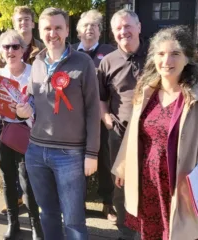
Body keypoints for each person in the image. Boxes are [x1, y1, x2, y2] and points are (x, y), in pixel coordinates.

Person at [112, 26, 198, 240]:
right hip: (147, 182)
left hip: (181, 186)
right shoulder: (146, 91)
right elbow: (133, 134)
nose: (167, 61)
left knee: (180, 234)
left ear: (187, 58)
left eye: (175, 54)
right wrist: (122, 167)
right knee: (151, 233)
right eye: (161, 54)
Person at [16, 8, 100, 240]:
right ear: (40, 32)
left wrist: (92, 152)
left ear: (66, 30)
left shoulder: (83, 63)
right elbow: (33, 99)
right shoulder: (37, 61)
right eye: (47, 28)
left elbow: (94, 109)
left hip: (70, 154)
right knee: (48, 214)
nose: (53, 33)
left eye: (57, 28)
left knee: (73, 219)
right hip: (36, 151)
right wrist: (24, 110)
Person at [0, 29, 42, 240]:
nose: (11, 51)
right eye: (6, 47)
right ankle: (13, 222)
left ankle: (36, 225)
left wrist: (29, 111)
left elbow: (43, 105)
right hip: (2, 134)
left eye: (15, 46)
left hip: (27, 134)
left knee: (28, 180)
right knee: (8, 180)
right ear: (1, 51)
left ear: (23, 49)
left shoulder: (34, 73)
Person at [98, 9, 147, 239]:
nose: (123, 31)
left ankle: (150, 229)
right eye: (118, 28)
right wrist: (107, 121)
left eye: (128, 26)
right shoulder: (107, 62)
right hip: (120, 134)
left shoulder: (156, 56)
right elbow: (101, 98)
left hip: (152, 135)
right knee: (120, 184)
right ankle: (125, 231)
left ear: (139, 27)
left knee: (151, 182)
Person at [72, 9, 116, 222]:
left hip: (101, 118)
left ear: (100, 31)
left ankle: (108, 204)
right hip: (75, 120)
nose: (90, 29)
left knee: (105, 161)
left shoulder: (109, 52)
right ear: (79, 31)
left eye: (95, 26)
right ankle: (78, 202)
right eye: (86, 26)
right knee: (77, 161)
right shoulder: (70, 52)